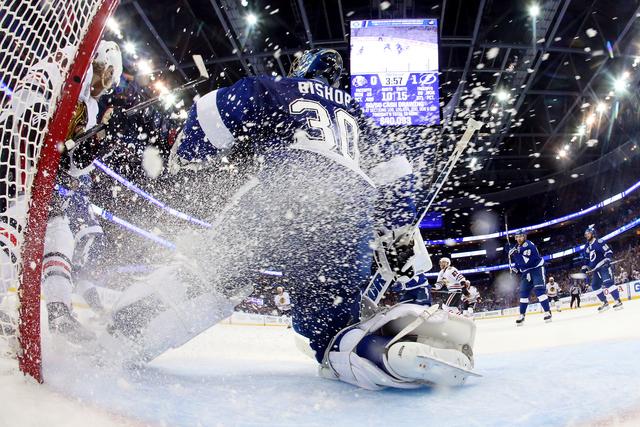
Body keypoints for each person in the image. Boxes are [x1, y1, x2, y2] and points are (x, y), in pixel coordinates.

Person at [100, 48, 478, 390]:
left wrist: (185, 155)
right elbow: (397, 176)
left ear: (303, 68)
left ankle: (114, 341)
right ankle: (387, 353)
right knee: (331, 334)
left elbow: (210, 112)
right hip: (350, 211)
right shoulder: (358, 114)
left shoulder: (277, 87)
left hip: (287, 189)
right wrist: (396, 229)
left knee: (210, 278)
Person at [0, 40, 124, 344]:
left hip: (43, 170)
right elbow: (25, 106)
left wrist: (99, 138)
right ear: (103, 64)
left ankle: (58, 312)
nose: (105, 87)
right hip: (16, 152)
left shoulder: (92, 107)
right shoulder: (66, 64)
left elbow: (75, 166)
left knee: (58, 232)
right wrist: (47, 136)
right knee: (17, 218)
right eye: (108, 77)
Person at [505, 229, 553, 326]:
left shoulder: (528, 245)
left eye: (521, 236)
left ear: (525, 237)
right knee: (524, 294)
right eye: (517, 237)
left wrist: (514, 254)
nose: (519, 238)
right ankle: (522, 315)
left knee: (539, 291)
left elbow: (526, 261)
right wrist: (515, 269)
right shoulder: (517, 246)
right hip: (526, 273)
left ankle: (547, 311)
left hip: (537, 270)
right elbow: (519, 262)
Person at [582, 225, 623, 312]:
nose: (587, 235)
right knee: (595, 285)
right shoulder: (587, 246)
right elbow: (586, 258)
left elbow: (608, 253)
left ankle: (618, 301)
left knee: (608, 283)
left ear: (593, 234)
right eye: (586, 234)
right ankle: (604, 302)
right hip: (596, 270)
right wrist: (584, 268)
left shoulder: (599, 242)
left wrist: (605, 261)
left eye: (588, 233)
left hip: (604, 267)